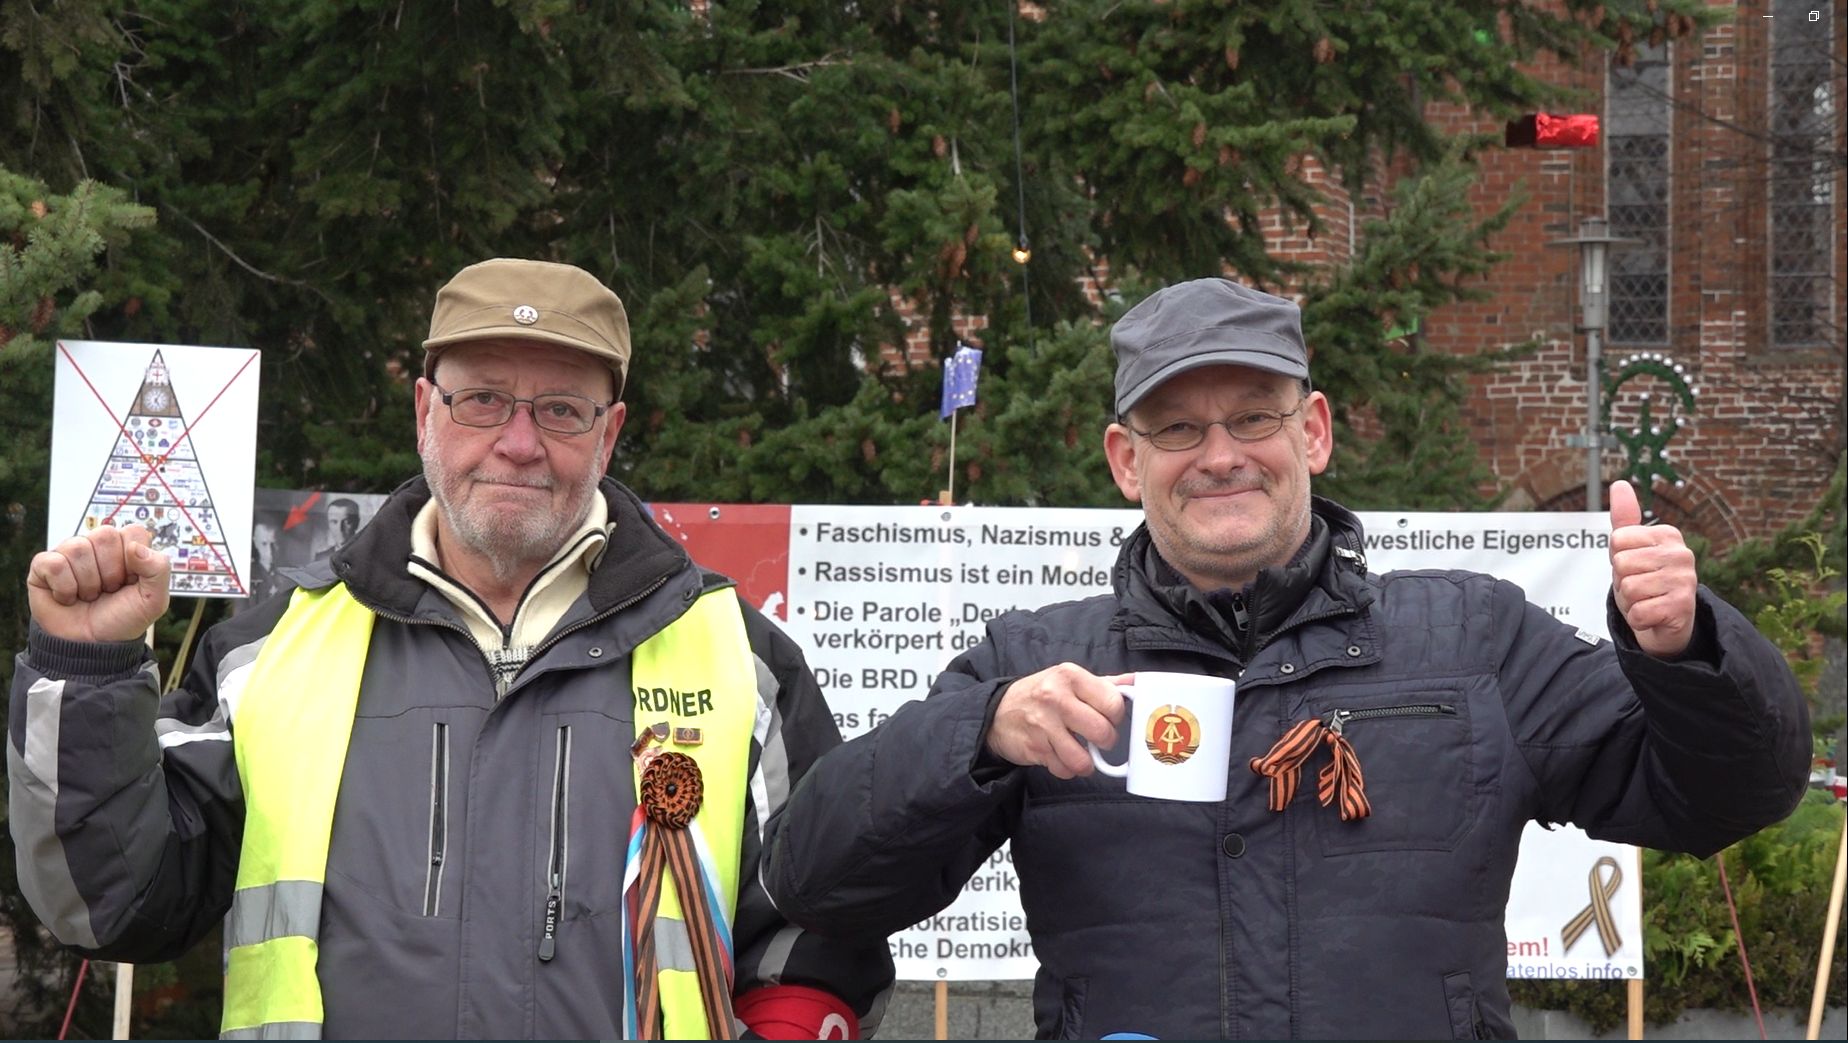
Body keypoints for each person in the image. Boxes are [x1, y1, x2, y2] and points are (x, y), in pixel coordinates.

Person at [762, 277, 1812, 1039]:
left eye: (1253, 416)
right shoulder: (1038, 661)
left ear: (1311, 431)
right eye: (1178, 428)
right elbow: (815, 876)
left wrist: (1687, 648)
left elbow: (1729, 795)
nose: (1221, 454)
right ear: (1128, 461)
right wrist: (976, 733)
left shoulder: (1476, 640)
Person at [12, 258, 894, 1039]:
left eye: (560, 409)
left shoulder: (740, 660)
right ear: (425, 411)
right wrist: (87, 672)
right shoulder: (270, 650)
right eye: (482, 399)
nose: (518, 442)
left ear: (610, 431)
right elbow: (114, 901)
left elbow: (821, 924)